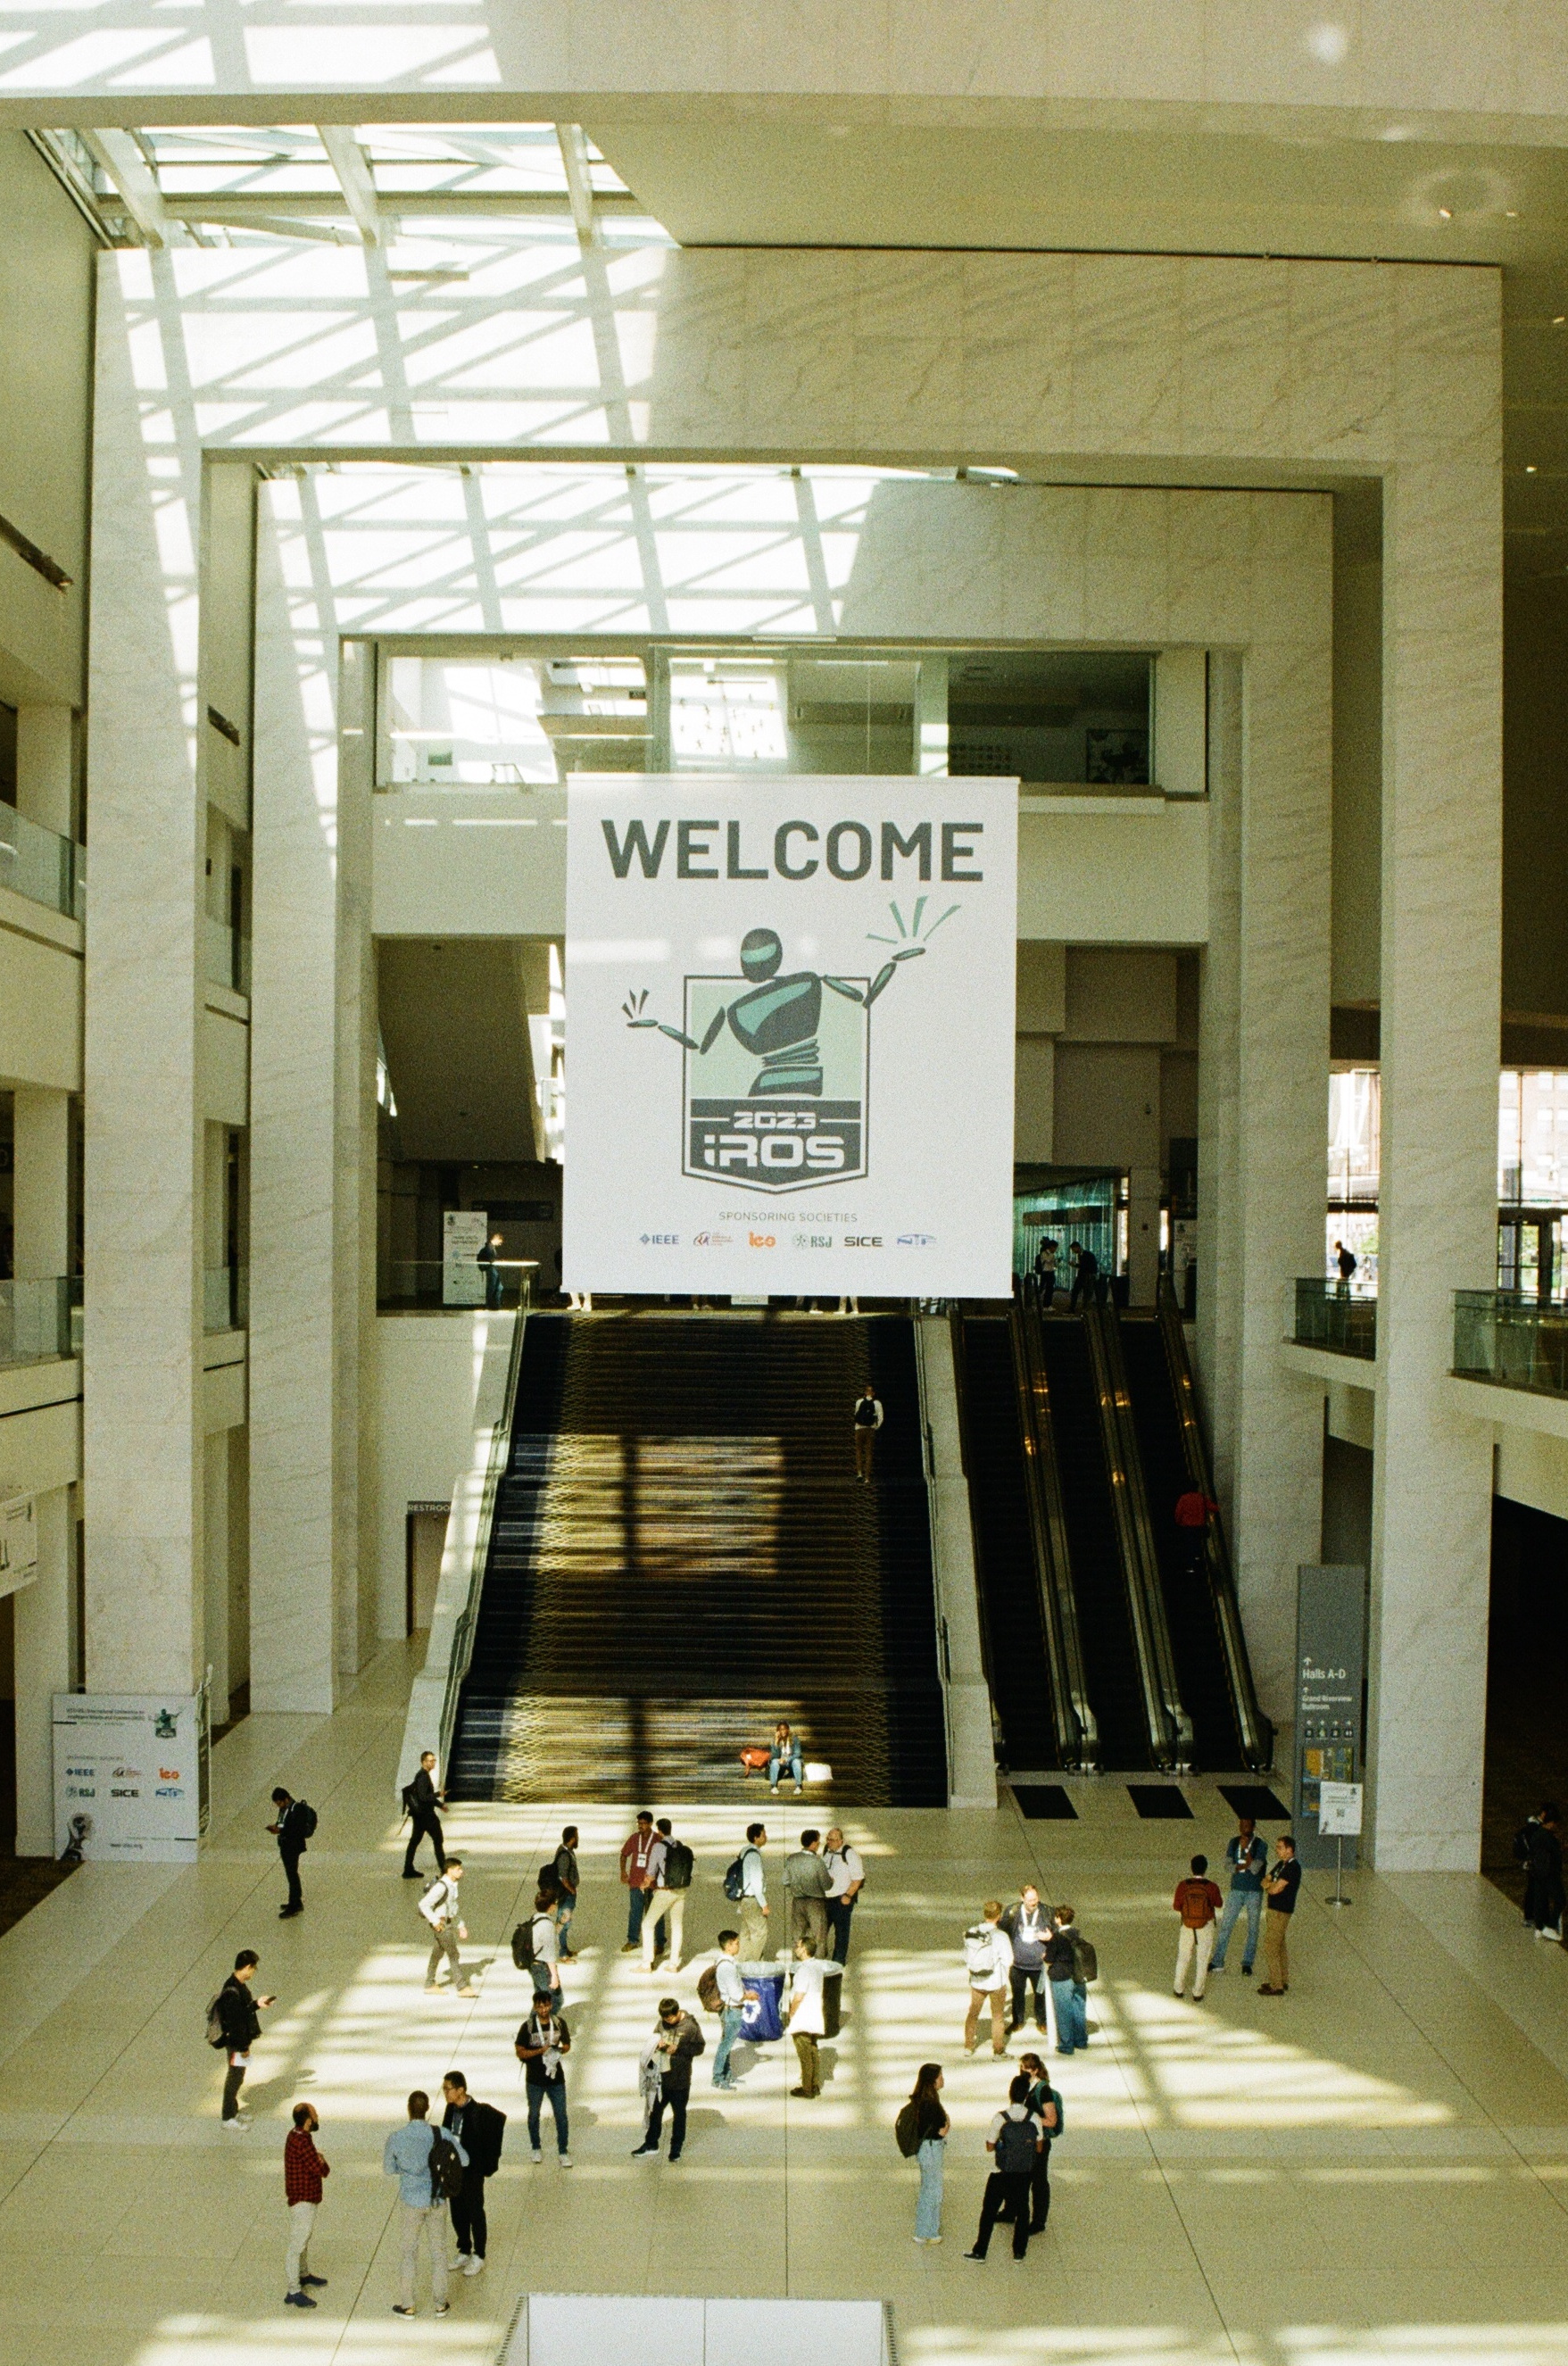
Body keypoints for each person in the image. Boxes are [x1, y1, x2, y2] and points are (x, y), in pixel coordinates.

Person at [384, 2088, 466, 2318]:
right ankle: (440, 2304)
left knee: (409, 2253)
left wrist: (407, 2170)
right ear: (427, 2109)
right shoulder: (442, 2134)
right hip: (438, 2200)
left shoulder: (397, 2137)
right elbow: (465, 2159)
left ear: (409, 2110)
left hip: (411, 2202)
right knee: (439, 2253)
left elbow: (389, 2169)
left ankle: (408, 2304)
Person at [965, 2072, 1043, 2262]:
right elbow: (1039, 2147)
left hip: (1002, 2173)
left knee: (989, 2211)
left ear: (1010, 2094)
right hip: (1024, 2173)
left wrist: (1003, 2144)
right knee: (1023, 2211)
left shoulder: (1001, 2118)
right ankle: (1019, 2252)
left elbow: (989, 2146)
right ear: (1026, 2095)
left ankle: (980, 2251)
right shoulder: (1034, 2118)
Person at [441, 2071, 506, 2277]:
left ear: (461, 2090)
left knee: (475, 2210)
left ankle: (479, 2253)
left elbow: (485, 2142)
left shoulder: (478, 2113)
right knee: (457, 2211)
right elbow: (445, 2132)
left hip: (472, 2171)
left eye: (448, 2089)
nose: (445, 2093)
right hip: (454, 2169)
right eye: (444, 2089)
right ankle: (464, 2249)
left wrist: (483, 2166)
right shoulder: (450, 2109)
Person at [633, 1997, 705, 2161]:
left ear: (677, 2012)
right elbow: (654, 2038)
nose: (667, 2021)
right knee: (655, 2112)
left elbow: (700, 2047)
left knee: (679, 2115)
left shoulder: (690, 2026)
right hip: (661, 2079)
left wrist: (679, 2049)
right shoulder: (662, 2023)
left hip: (680, 2080)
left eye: (670, 2018)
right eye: (664, 2019)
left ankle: (676, 2148)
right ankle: (651, 2143)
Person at [216, 1948, 276, 2127]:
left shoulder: (238, 1985)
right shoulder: (232, 1991)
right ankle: (228, 2117)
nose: (254, 1972)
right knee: (234, 2077)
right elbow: (236, 2023)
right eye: (254, 1969)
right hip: (236, 2043)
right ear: (248, 1967)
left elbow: (242, 2011)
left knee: (238, 2076)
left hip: (239, 2041)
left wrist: (257, 2004)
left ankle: (233, 2111)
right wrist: (243, 2048)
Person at [1005, 2054, 1062, 2237]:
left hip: (1039, 2143)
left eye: (1027, 2068)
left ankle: (1038, 2221)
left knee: (1038, 2181)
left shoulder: (1043, 2090)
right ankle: (1010, 2211)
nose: (1023, 2071)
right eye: (1021, 2067)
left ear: (1036, 2070)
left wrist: (1029, 2118)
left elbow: (1051, 2121)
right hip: (1025, 2141)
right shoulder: (1025, 2085)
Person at [515, 1992, 573, 2164]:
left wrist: (559, 2051)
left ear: (551, 2005)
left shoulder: (559, 2023)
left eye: (546, 2005)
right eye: (540, 2006)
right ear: (534, 2007)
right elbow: (520, 2051)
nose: (543, 2010)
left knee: (561, 2115)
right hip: (535, 2080)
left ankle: (563, 2150)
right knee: (534, 2115)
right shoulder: (528, 2027)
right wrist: (540, 2051)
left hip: (556, 2078)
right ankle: (536, 2147)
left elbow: (567, 2044)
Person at [283, 2100, 331, 2307]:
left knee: (303, 2239)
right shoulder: (302, 2142)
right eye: (315, 2114)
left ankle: (303, 2274)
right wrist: (321, 2160)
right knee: (298, 2243)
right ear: (308, 2120)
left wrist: (318, 2159)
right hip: (303, 2199)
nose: (318, 2117)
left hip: (304, 2197)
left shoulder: (296, 2136)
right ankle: (293, 2290)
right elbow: (321, 2169)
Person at [1210, 1814, 1268, 1976]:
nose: (1244, 1829)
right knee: (1226, 1925)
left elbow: (1256, 1868)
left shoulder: (1260, 1845)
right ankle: (1217, 1961)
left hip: (1254, 1892)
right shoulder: (1233, 1842)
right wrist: (1244, 1865)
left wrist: (1246, 1852)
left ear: (1253, 1827)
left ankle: (1247, 1963)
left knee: (1253, 1928)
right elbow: (1228, 1866)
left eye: (1247, 1826)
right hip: (1236, 1889)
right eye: (1242, 1825)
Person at [419, 1857, 477, 1997]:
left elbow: (452, 1908)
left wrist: (460, 1925)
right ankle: (462, 1987)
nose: (461, 1872)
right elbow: (423, 1904)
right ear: (449, 1870)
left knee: (437, 1953)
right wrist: (435, 1921)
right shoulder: (442, 1886)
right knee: (453, 1954)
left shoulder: (452, 1885)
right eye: (458, 1869)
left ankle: (429, 1983)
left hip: (447, 1922)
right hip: (442, 1925)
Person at [963, 1899, 1014, 2057]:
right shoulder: (1000, 1936)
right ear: (998, 1916)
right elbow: (1009, 1960)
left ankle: (969, 2046)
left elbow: (966, 1955)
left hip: (977, 1981)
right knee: (998, 2017)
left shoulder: (972, 1931)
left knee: (973, 2013)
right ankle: (998, 2051)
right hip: (995, 1983)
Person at [907, 2062, 949, 2244]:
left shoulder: (920, 2100)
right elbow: (942, 2129)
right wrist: (947, 2121)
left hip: (925, 2149)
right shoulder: (931, 2104)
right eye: (940, 2076)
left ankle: (924, 2230)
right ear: (933, 2081)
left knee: (927, 2189)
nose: (943, 2079)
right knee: (934, 2190)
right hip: (932, 2148)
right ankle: (929, 2231)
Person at [1173, 1853, 1224, 2000]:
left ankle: (1178, 1988)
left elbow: (1177, 1906)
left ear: (1191, 1868)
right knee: (1202, 1959)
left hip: (1187, 1925)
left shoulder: (1183, 1885)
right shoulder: (1211, 1886)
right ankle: (1197, 1992)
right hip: (1205, 1925)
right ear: (1205, 1869)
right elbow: (1219, 1903)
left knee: (1183, 1957)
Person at [1000, 1882, 1050, 2036]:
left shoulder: (1046, 1912)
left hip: (1039, 1966)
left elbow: (1056, 1934)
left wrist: (1050, 1938)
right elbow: (1002, 1932)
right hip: (1017, 1966)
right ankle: (1018, 2021)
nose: (1033, 1902)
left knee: (1041, 1994)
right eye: (1030, 1900)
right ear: (1022, 1898)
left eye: (1035, 1898)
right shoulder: (1012, 1912)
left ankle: (1042, 2021)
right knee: (1017, 1995)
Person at [643, 1816, 692, 1973]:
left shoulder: (658, 1847)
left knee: (647, 1924)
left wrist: (644, 1883)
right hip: (681, 1890)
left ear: (659, 1831)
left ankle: (647, 1963)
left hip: (665, 1892)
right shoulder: (679, 1845)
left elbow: (651, 1873)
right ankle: (673, 1964)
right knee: (677, 1925)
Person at [711, 1929, 757, 2088]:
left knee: (727, 2044)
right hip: (732, 2010)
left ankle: (727, 2075)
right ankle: (717, 2078)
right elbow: (736, 1994)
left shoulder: (725, 1962)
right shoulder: (727, 1967)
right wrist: (749, 1996)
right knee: (726, 2045)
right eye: (736, 1943)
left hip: (729, 2009)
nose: (739, 1946)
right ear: (729, 1945)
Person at [1258, 1833, 1301, 1995]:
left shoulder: (1292, 1868)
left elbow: (1276, 1888)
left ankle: (1276, 1984)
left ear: (1289, 1850)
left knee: (1270, 1947)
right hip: (1273, 1909)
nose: (1277, 1850)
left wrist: (1269, 1887)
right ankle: (1282, 1980)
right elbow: (1266, 1879)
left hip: (1281, 1911)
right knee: (1280, 1946)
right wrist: (1270, 1885)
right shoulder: (1281, 1864)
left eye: (1280, 1847)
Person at [1516, 1802, 1565, 1939]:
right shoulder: (1546, 1837)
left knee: (1540, 1898)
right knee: (1560, 1900)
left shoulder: (1539, 1835)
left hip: (1539, 1872)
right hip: (1548, 1873)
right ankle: (1548, 1927)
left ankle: (1540, 1927)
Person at [787, 1935, 828, 2096]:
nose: (796, 1948)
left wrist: (791, 2013)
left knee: (805, 2056)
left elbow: (799, 1996)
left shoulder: (804, 1970)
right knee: (813, 2051)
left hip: (802, 2016)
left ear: (804, 1949)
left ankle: (807, 2089)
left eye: (798, 1946)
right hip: (814, 2014)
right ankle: (815, 2084)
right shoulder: (818, 1966)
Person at [1045, 1905, 1088, 2055]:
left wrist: (1045, 1955)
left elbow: (1049, 1960)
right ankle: (1081, 2041)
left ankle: (1066, 2045)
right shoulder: (1077, 1934)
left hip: (1062, 1977)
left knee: (1064, 2011)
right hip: (1079, 1976)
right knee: (1079, 2009)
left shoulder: (1057, 1937)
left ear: (1058, 1919)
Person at [784, 1828, 831, 1956]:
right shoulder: (817, 1862)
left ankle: (796, 1967)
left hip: (797, 1901)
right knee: (819, 1938)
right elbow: (827, 1885)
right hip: (815, 1903)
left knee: (797, 1936)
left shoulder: (792, 1859)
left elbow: (786, 1881)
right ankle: (818, 1967)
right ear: (814, 1843)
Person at [822, 1826, 865, 1964]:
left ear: (841, 1841)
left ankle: (838, 1961)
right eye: (828, 1839)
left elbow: (858, 1878)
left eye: (833, 1840)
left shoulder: (850, 1854)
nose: (830, 1842)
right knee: (821, 1931)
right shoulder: (826, 1852)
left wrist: (848, 1895)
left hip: (841, 1899)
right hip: (826, 1899)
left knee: (841, 1933)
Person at [268, 1787, 312, 1919]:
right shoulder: (285, 1809)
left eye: (279, 1803)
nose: (278, 1806)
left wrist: (281, 1831)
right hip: (286, 1844)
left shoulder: (296, 1809)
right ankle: (295, 1902)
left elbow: (295, 1829)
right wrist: (277, 1828)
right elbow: (283, 1824)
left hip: (293, 1846)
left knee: (292, 1875)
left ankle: (294, 1905)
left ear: (286, 1799)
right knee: (291, 1874)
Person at [402, 1752, 447, 1880]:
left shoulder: (422, 1775)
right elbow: (423, 1797)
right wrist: (439, 1794)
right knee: (438, 1840)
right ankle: (444, 1869)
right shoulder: (423, 1777)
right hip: (427, 1816)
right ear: (423, 1762)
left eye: (434, 1760)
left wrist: (440, 1805)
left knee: (414, 1841)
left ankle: (408, 1869)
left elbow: (426, 1796)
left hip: (420, 1815)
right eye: (430, 1761)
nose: (433, 1763)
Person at [619, 1811, 658, 1951]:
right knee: (635, 1912)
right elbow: (623, 1855)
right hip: (635, 1882)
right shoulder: (634, 1838)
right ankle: (632, 1940)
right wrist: (623, 1872)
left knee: (654, 1913)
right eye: (639, 1823)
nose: (640, 1826)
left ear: (650, 1824)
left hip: (652, 1884)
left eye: (643, 1824)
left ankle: (658, 1943)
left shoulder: (657, 1839)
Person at [525, 1883, 563, 2006]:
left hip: (533, 1964)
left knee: (541, 2001)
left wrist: (561, 1923)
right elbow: (549, 1953)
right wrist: (554, 1976)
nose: (556, 1905)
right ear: (551, 1906)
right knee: (555, 2001)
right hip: (542, 1967)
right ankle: (540, 2023)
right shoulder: (547, 1924)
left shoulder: (536, 1918)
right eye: (555, 1903)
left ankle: (533, 2024)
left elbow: (547, 1936)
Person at [1173, 1484, 1220, 1581]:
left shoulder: (1184, 1498)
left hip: (1188, 1528)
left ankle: (1191, 1567)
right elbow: (1214, 1508)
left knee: (1189, 1546)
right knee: (1198, 1543)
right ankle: (1199, 1559)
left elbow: (1178, 1513)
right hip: (1200, 1527)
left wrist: (1179, 1523)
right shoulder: (1201, 1497)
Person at [738, 1821, 770, 1960]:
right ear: (756, 1838)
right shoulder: (754, 1855)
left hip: (744, 1898)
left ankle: (741, 1961)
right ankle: (753, 1963)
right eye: (763, 1834)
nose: (766, 1837)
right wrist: (764, 1905)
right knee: (760, 1932)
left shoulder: (744, 1851)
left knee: (745, 1932)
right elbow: (756, 1883)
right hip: (752, 1900)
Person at [552, 1825, 580, 1960]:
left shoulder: (567, 1851)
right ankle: (562, 1953)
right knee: (563, 1920)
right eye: (577, 1836)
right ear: (573, 1838)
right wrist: (572, 1890)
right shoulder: (564, 1854)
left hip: (568, 1893)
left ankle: (565, 1949)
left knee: (565, 1920)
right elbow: (563, 1878)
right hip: (566, 1894)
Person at [853, 1382, 884, 1482]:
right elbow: (880, 1417)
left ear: (865, 1392)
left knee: (858, 1451)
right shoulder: (877, 1403)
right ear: (873, 1393)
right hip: (870, 1429)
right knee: (869, 1453)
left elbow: (856, 1415)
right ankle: (867, 1478)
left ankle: (859, 1473)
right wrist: (875, 1427)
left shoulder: (859, 1402)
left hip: (859, 1429)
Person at [768, 1722, 804, 1794]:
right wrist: (776, 1743)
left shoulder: (794, 1738)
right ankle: (773, 1786)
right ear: (778, 1731)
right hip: (781, 1762)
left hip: (791, 1761)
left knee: (797, 1761)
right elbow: (774, 1756)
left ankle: (799, 1786)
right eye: (781, 1730)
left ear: (788, 1730)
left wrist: (787, 1759)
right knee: (774, 1762)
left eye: (784, 1729)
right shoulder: (775, 1739)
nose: (783, 1731)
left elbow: (798, 1754)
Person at [1068, 1241, 1100, 1309]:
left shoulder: (1085, 1255)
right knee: (1085, 1292)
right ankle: (1084, 1308)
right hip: (1086, 1275)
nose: (1073, 1251)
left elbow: (1085, 1266)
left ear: (1077, 1247)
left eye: (1073, 1249)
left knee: (1082, 1292)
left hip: (1086, 1276)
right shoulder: (1085, 1254)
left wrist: (1075, 1265)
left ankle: (1079, 1308)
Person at [477, 1229, 504, 1308]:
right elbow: (490, 1260)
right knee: (492, 1288)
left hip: (492, 1269)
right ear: (497, 1238)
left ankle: (495, 1305)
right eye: (500, 1241)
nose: (500, 1244)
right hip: (491, 1269)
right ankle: (492, 1305)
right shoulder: (489, 1248)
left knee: (498, 1287)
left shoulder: (490, 1247)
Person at [1033, 1237, 1058, 1308]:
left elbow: (1054, 1264)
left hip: (1050, 1272)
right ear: (1051, 1247)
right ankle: (1046, 1304)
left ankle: (1047, 1304)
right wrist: (1054, 1259)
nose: (1055, 1250)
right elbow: (1048, 1260)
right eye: (1055, 1248)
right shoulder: (1045, 1253)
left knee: (1050, 1289)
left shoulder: (1051, 1254)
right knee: (1047, 1289)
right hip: (1046, 1272)